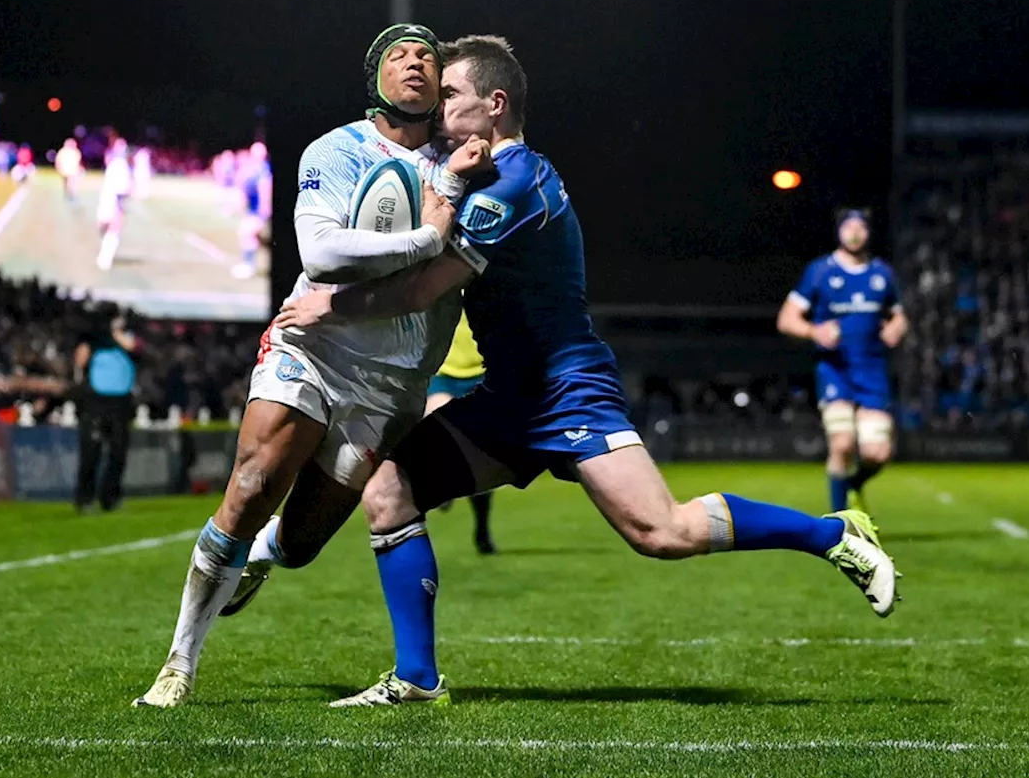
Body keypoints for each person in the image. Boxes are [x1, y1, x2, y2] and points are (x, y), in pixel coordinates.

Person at [274, 35, 900, 708]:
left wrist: (328, 303)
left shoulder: (514, 184)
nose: (439, 105)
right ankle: (417, 678)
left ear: (495, 104)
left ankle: (835, 533)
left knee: (662, 532)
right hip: (509, 397)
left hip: (567, 390)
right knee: (391, 489)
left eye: (451, 94)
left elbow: (422, 288)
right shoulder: (475, 173)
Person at [131, 23, 492, 708]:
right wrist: (428, 236)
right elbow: (322, 254)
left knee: (300, 541)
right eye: (400, 55)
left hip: (391, 384)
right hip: (314, 347)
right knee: (255, 479)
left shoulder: (471, 167)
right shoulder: (338, 149)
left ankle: (262, 558)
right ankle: (179, 663)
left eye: (428, 56)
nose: (415, 62)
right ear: (374, 78)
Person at [776, 209, 909, 514]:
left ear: (868, 232)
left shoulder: (882, 274)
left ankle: (854, 485)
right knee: (843, 444)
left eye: (860, 227)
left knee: (877, 453)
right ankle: (841, 524)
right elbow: (786, 319)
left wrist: (895, 328)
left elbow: (899, 317)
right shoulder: (821, 271)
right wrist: (814, 330)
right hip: (835, 371)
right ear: (839, 231)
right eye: (848, 226)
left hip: (872, 371)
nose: (854, 233)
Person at [427, 309, 495, 554]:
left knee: (481, 452)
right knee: (437, 429)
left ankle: (482, 529)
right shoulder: (437, 284)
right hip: (443, 372)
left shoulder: (486, 286)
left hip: (481, 372)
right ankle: (446, 482)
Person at [73, 312, 137, 513]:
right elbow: (79, 362)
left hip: (120, 403)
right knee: (91, 450)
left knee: (118, 451)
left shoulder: (126, 340)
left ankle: (111, 497)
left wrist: (116, 334)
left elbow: (132, 346)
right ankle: (85, 497)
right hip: (96, 402)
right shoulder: (91, 340)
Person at [231, 141, 273, 280]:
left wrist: (264, 210)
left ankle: (248, 266)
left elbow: (265, 190)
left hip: (259, 211)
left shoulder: (263, 170)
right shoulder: (254, 169)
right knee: (254, 237)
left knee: (247, 234)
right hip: (253, 210)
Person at [96, 138, 132, 270]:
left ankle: (105, 257)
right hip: (110, 200)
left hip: (110, 201)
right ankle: (105, 256)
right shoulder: (118, 165)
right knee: (108, 228)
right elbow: (123, 189)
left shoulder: (117, 165)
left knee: (110, 228)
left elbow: (122, 189)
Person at [55, 137, 83, 203]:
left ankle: (72, 195)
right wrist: (59, 168)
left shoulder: (75, 151)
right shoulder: (63, 151)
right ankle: (67, 194)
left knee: (71, 184)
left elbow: (78, 161)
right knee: (65, 183)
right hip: (65, 170)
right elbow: (58, 161)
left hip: (72, 171)